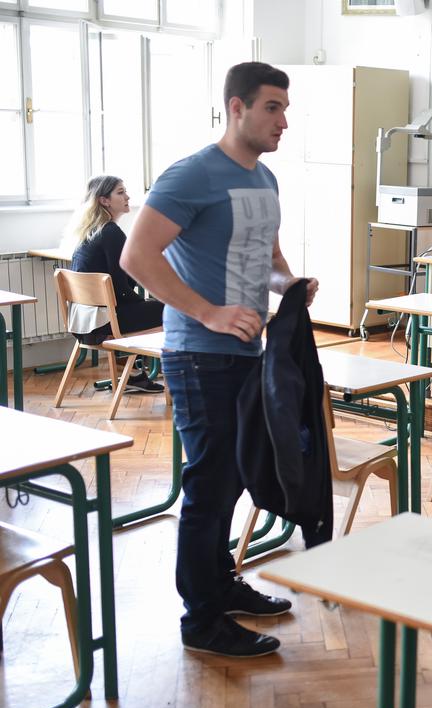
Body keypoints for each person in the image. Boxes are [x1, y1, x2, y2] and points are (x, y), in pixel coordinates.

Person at [121, 62, 318, 657]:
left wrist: (288, 284)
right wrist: (206, 311)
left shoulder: (265, 181)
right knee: (211, 484)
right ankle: (200, 618)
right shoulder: (191, 175)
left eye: (285, 108)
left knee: (234, 476)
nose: (284, 119)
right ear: (237, 108)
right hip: (199, 354)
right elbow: (136, 256)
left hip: (248, 352)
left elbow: (271, 258)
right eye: (272, 107)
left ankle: (220, 585)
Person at [65, 175, 164, 393]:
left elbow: (120, 281)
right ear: (104, 200)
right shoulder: (110, 232)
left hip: (82, 322)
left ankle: (135, 374)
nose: (127, 196)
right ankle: (181, 377)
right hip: (103, 324)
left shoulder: (89, 231)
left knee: (147, 306)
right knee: (171, 312)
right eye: (120, 192)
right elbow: (121, 292)